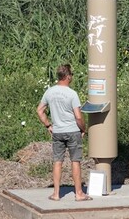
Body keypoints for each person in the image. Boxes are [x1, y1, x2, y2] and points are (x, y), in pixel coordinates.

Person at [36, 63, 92, 202]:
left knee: (57, 162)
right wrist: (83, 129)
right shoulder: (72, 94)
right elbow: (78, 117)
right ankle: (79, 193)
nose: (72, 77)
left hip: (58, 132)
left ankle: (56, 194)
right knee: (75, 161)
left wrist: (48, 125)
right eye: (71, 74)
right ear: (67, 77)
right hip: (73, 131)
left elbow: (40, 111)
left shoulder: (49, 92)